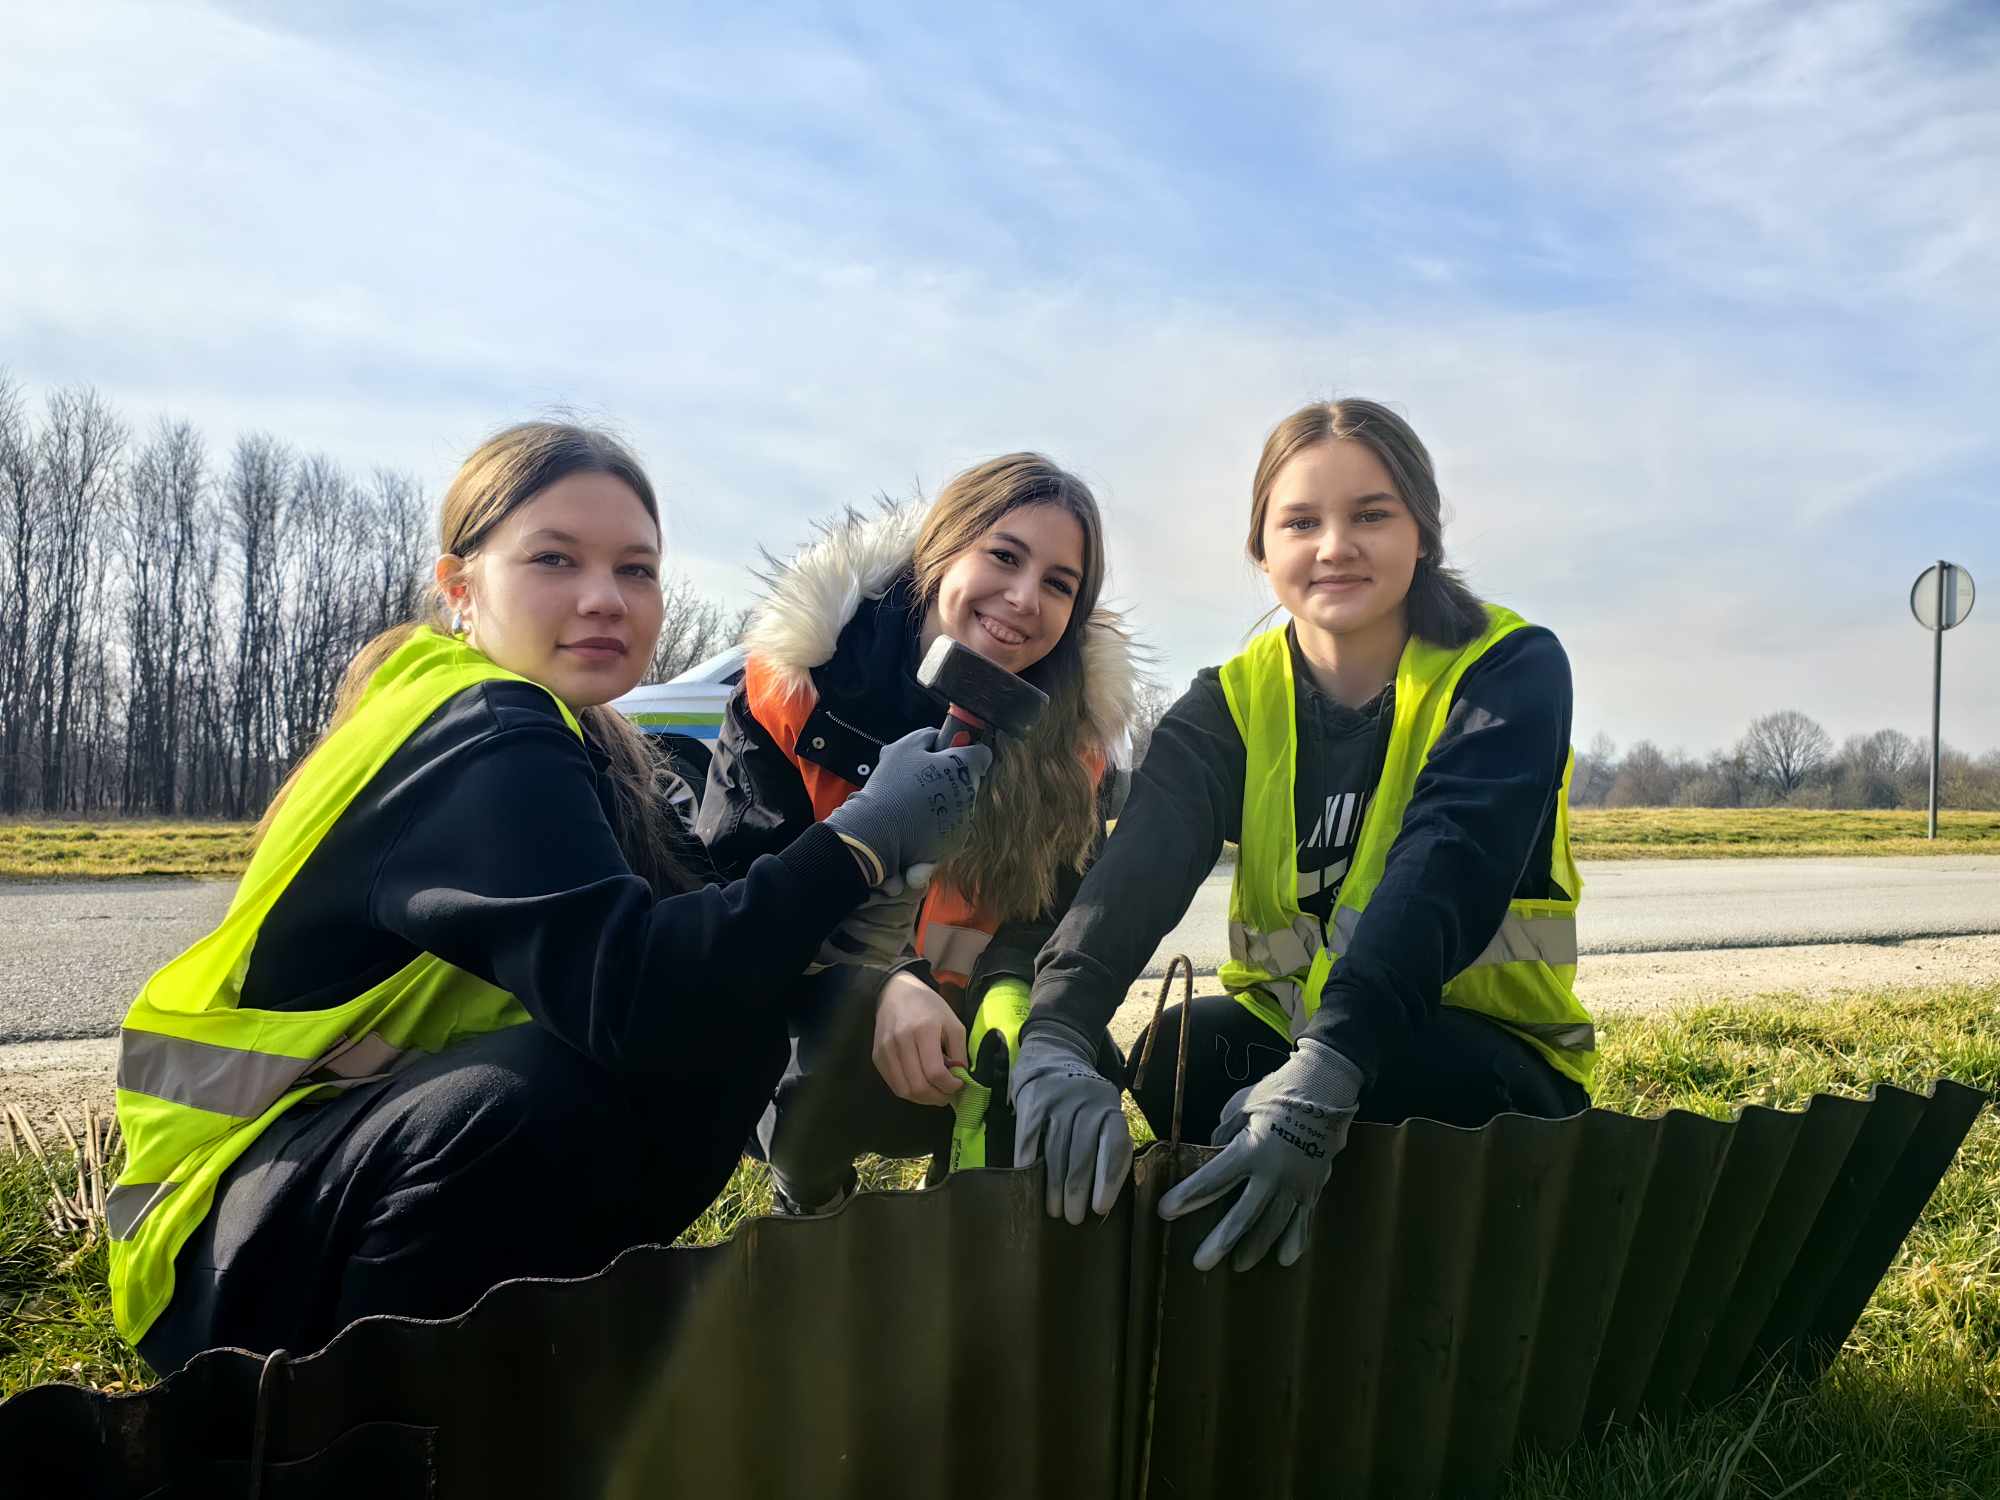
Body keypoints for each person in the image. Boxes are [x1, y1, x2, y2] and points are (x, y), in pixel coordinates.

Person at [111, 422, 990, 1371]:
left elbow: (708, 944)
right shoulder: (479, 724)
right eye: (554, 559)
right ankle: (374, 1406)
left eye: (636, 569)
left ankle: (512, 1353)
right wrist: (861, 840)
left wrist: (878, 971)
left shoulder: (579, 738)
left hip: (309, 1186)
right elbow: (642, 996)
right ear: (461, 587)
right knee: (587, 1080)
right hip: (216, 1249)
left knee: (713, 1036)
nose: (604, 598)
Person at [1011, 398, 1595, 1272]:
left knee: (1388, 1082)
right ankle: (1280, 1270)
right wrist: (1056, 1035)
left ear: (1422, 534)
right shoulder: (1231, 701)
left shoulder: (1509, 669)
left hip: (1482, 1059)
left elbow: (1450, 861)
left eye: (1371, 515)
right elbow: (1138, 868)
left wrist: (1327, 1071)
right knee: (1176, 1053)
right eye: (1301, 522)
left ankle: (1405, 1273)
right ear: (1262, 549)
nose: (1335, 547)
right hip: (1306, 1044)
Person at [698, 455, 1136, 1213]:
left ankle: (974, 1213)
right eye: (1004, 556)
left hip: (963, 1026)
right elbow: (738, 897)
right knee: (825, 1053)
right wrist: (885, 981)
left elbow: (1058, 917)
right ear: (940, 553)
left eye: (1060, 585)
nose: (1024, 599)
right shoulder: (797, 690)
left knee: (1073, 1055)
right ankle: (810, 1198)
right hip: (814, 1019)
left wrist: (1010, 993)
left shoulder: (1076, 746)